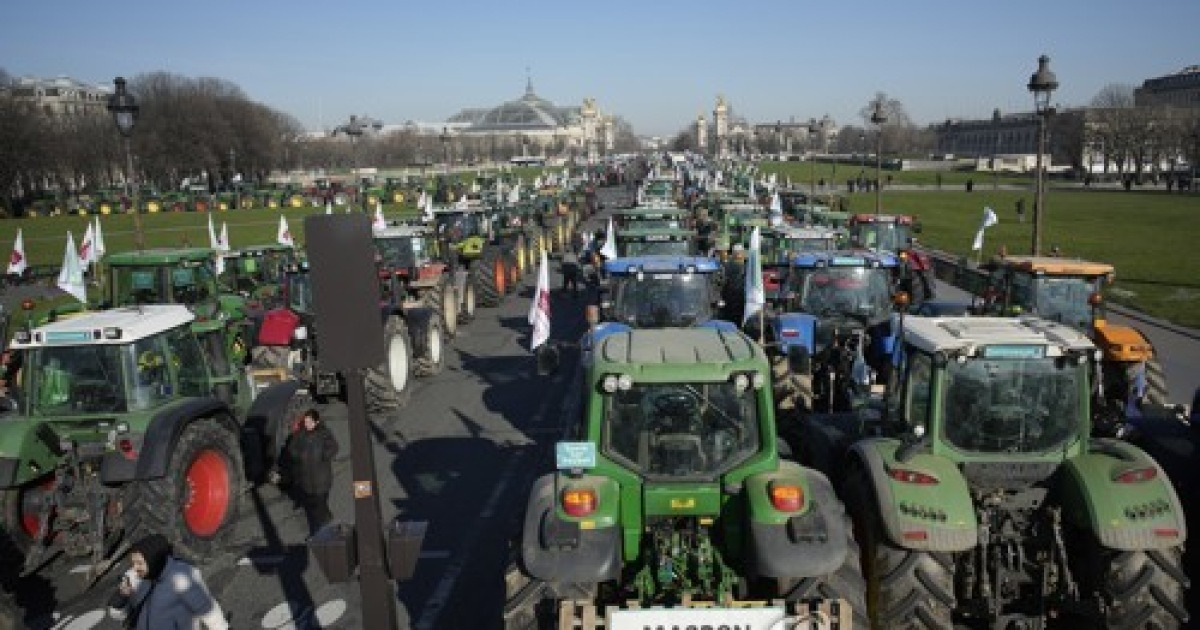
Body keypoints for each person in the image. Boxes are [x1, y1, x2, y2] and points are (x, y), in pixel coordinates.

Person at [108, 533, 228, 629]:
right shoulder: (133, 577)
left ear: (153, 560)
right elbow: (120, 616)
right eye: (133, 563)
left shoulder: (181, 577)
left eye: (139, 563)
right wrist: (121, 598)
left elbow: (206, 609)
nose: (134, 568)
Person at [288, 408, 338, 536]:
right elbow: (292, 448)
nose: (307, 424)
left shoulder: (324, 433)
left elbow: (334, 447)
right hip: (307, 479)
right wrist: (298, 455)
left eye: (310, 421)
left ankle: (319, 533)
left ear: (316, 422)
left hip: (322, 477)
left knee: (319, 506)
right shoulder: (300, 434)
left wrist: (324, 455)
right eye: (305, 421)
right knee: (315, 504)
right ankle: (326, 517)